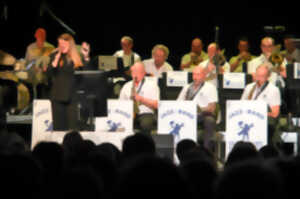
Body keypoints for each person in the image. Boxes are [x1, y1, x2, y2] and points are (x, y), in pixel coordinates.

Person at [47, 33, 90, 131]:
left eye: (64, 45)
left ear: (70, 45)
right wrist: (55, 62)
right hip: (57, 96)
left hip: (72, 97)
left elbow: (85, 74)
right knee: (58, 129)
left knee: (72, 129)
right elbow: (49, 74)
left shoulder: (76, 57)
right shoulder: (55, 55)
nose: (62, 47)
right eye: (60, 45)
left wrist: (86, 57)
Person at [177, 66, 218, 151]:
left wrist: (198, 109)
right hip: (186, 114)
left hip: (203, 115)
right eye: (194, 75)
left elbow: (212, 107)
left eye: (198, 75)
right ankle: (181, 149)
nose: (195, 77)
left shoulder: (210, 87)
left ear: (204, 75)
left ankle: (207, 151)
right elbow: (178, 102)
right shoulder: (187, 87)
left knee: (210, 121)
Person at [241, 64, 281, 146]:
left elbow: (275, 113)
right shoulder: (249, 87)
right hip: (247, 118)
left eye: (262, 76)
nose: (258, 78)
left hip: (263, 119)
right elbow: (241, 104)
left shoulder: (273, 90)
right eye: (257, 75)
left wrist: (258, 113)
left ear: (268, 77)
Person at [119, 62, 159, 134]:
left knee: (146, 124)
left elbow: (156, 105)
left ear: (144, 73)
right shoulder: (126, 86)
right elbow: (120, 103)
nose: (135, 74)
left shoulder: (152, 85)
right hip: (128, 113)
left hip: (145, 113)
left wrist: (141, 99)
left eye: (138, 72)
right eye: (133, 72)